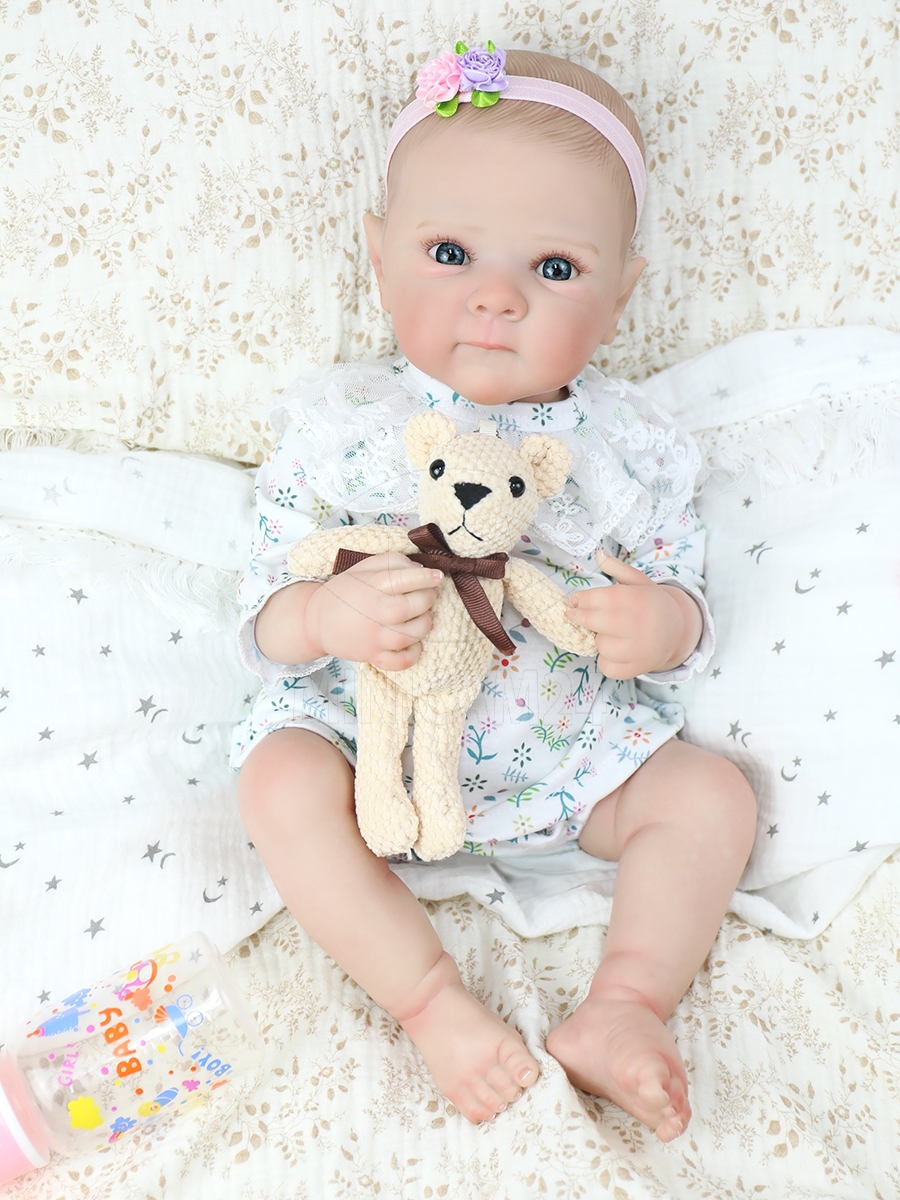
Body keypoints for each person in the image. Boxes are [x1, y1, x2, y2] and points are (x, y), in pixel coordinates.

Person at [231, 44, 757, 1142]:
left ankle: (624, 1003)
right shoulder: (346, 428)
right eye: (450, 253)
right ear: (379, 257)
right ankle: (430, 1000)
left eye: (555, 267)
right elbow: (266, 607)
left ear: (621, 294)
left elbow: (680, 576)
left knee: (711, 799)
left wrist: (663, 624)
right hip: (370, 753)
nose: (498, 297)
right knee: (278, 781)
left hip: (570, 758)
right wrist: (322, 616)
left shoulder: (623, 445)